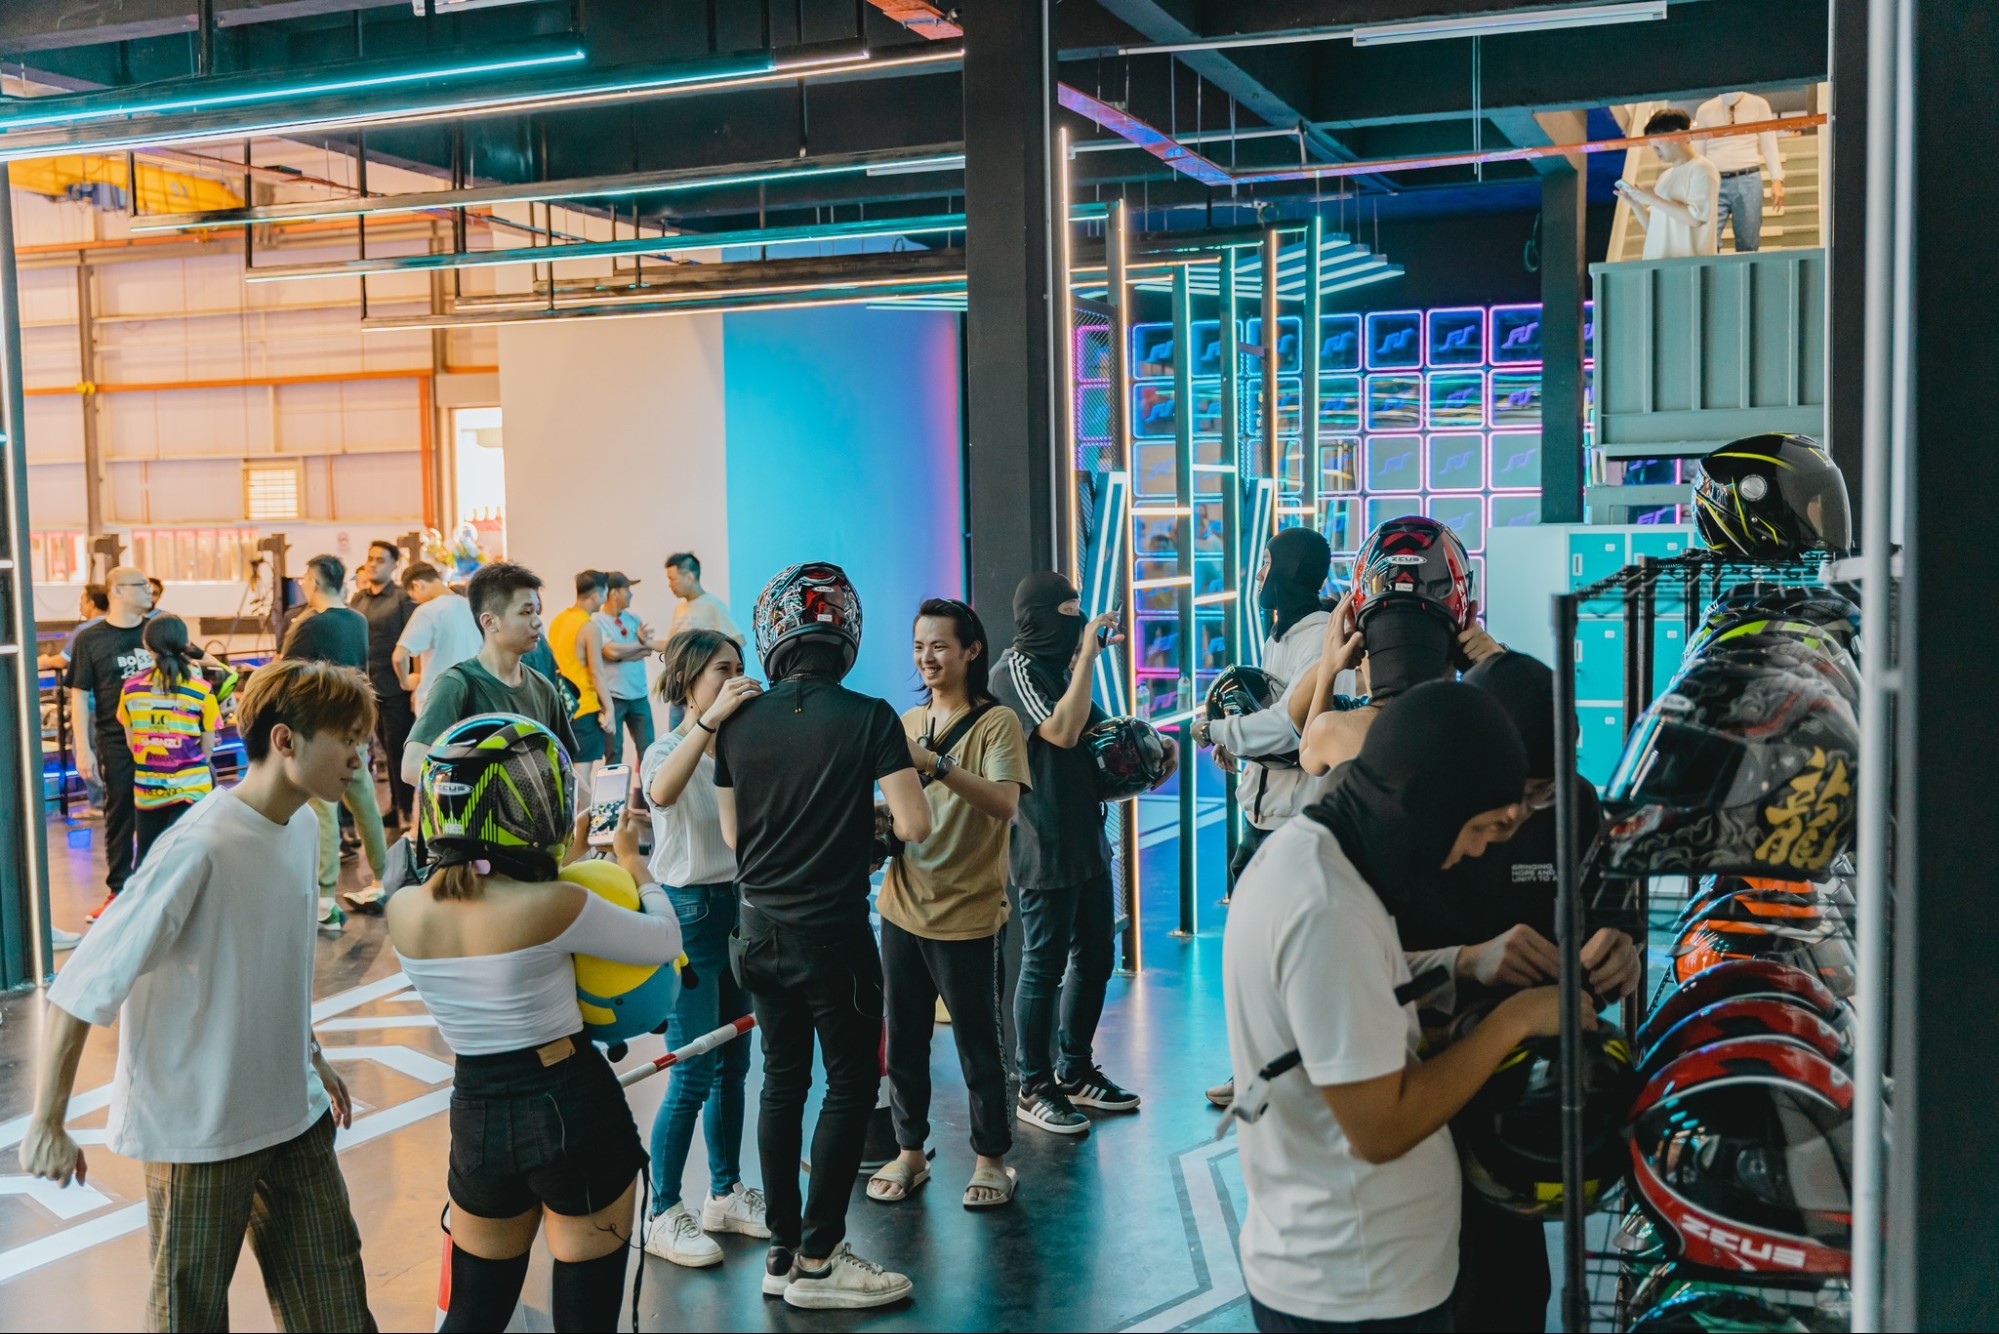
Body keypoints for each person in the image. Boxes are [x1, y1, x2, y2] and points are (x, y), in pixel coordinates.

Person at [20, 659, 379, 1332]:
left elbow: (269, 958)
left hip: (291, 1112)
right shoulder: (199, 846)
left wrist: (312, 1053)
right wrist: (47, 1122)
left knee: (335, 1308)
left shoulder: (300, 825)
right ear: (284, 741)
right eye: (347, 738)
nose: (360, 758)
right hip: (200, 1130)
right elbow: (80, 988)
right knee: (188, 1315)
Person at [1223, 680, 1575, 1334]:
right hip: (1356, 1289)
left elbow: (1350, 991)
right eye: (1475, 830)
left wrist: (1462, 962)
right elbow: (1380, 1126)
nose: (1473, 852)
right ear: (1432, 808)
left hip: (1357, 1271)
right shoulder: (1326, 908)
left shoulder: (1317, 858)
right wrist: (1516, 1019)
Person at [390, 718, 681, 1332]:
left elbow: (496, 935)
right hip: (570, 1104)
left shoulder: (404, 911)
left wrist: (564, 865)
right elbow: (663, 939)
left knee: (473, 1314)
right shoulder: (556, 905)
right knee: (586, 1320)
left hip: (476, 1112)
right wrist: (634, 866)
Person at [714, 561, 929, 1309]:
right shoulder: (871, 717)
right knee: (849, 1081)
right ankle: (820, 1255)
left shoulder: (734, 721)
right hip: (833, 936)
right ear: (846, 633)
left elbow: (734, 836)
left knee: (780, 1080)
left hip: (757, 932)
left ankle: (781, 1253)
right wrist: (863, 832)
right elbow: (915, 824)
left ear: (773, 634)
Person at [1443, 652, 1640, 1333]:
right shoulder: (1417, 818)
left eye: (1542, 794)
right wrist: (1465, 963)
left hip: (1527, 1098)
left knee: (1513, 1293)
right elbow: (1361, 969)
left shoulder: (1578, 805)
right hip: (1429, 1093)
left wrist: (1622, 943)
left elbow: (1614, 904)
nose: (1524, 813)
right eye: (1517, 795)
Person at [991, 572, 1175, 1135]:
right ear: (1038, 616)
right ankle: (1033, 1083)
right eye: (1068, 610)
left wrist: (1152, 755)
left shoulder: (1061, 671)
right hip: (1042, 841)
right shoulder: (1013, 670)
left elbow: (1101, 739)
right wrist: (1087, 658)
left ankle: (1073, 1070)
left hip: (1087, 836)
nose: (1075, 619)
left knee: (1095, 957)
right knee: (1043, 967)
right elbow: (1064, 732)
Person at [869, 599, 1031, 1210]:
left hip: (967, 912)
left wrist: (934, 762)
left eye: (939, 646)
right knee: (904, 1039)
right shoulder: (906, 720)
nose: (927, 657)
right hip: (901, 905)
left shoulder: (997, 725)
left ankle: (991, 1158)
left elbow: (1004, 804)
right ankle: (911, 1151)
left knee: (977, 1045)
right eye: (918, 647)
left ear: (971, 651)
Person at [1192, 528, 1352, 1111]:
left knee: (1289, 963)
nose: (1260, 575)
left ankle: (1291, 1074)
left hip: (1294, 826)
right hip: (1258, 823)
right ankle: (1254, 1067)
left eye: (1266, 563)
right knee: (1249, 962)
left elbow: (1291, 728)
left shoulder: (1320, 641)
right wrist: (1240, 746)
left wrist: (1216, 730)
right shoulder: (1283, 636)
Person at [637, 629, 767, 1268]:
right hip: (688, 913)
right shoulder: (667, 747)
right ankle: (662, 1210)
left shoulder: (743, 745)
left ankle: (724, 1193)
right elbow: (659, 792)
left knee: (736, 1064)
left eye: (741, 668)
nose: (737, 677)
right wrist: (709, 724)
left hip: (738, 905)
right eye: (724, 668)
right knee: (690, 1068)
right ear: (690, 679)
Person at [281, 554, 386, 931]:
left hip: (320, 726)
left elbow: (285, 673)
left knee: (322, 810)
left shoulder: (308, 625)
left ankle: (325, 899)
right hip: (355, 723)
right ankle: (382, 879)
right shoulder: (357, 619)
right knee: (364, 804)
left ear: (312, 581)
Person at [404, 562, 577, 786]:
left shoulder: (543, 688)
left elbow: (563, 768)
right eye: (525, 612)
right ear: (489, 622)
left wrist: (598, 809)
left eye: (536, 611)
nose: (537, 621)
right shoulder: (456, 684)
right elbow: (411, 766)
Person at [67, 565, 156, 921]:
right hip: (116, 741)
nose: (150, 591)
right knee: (121, 815)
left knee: (161, 815)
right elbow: (78, 694)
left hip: (162, 739)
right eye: (142, 585)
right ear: (118, 590)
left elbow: (196, 659)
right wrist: (83, 747)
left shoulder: (156, 630)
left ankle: (156, 887)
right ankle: (119, 890)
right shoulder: (91, 639)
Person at [118, 613, 236, 868]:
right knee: (191, 864)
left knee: (148, 863)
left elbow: (132, 743)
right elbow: (207, 749)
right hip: (192, 789)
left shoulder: (130, 689)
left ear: (147, 646)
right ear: (186, 645)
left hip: (148, 789)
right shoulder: (201, 689)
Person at [351, 539, 419, 829]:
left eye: (380, 559)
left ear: (394, 565)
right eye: (370, 558)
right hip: (367, 686)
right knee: (376, 750)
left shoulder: (402, 599)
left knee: (398, 749)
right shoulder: (358, 600)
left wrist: (413, 684)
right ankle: (393, 806)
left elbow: (413, 644)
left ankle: (406, 809)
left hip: (396, 688)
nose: (373, 563)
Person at [1618, 107, 1721, 260]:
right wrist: (1635, 204)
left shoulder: (1702, 169)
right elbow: (1653, 228)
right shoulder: (1665, 176)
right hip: (1660, 266)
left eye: (1658, 142)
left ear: (1678, 135)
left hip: (1687, 268)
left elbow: (1695, 219)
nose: (1654, 149)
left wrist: (1652, 199)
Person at [1693, 91, 1786, 252]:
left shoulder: (1759, 104)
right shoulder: (1705, 109)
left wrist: (1777, 180)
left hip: (1748, 178)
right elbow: (1698, 152)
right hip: (1714, 180)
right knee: (1707, 242)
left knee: (1748, 243)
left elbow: (1769, 142)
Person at [546, 570, 614, 789]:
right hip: (584, 706)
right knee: (582, 775)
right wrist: (609, 709)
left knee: (566, 773)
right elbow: (597, 673)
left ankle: (569, 823)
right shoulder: (588, 627)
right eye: (605, 594)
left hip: (562, 707)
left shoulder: (558, 620)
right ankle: (582, 823)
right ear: (596, 595)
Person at [393, 561, 482, 716]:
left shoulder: (428, 610)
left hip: (436, 702)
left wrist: (406, 683)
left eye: (414, 597)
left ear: (417, 585)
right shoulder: (474, 608)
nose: (417, 601)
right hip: (472, 699)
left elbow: (399, 657)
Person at [594, 571, 664, 767]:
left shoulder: (634, 618)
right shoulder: (597, 621)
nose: (631, 594)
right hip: (613, 696)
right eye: (628, 590)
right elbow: (611, 652)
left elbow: (647, 652)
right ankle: (613, 798)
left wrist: (629, 650)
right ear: (614, 593)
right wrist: (640, 644)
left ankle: (648, 797)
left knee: (649, 751)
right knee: (613, 753)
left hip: (639, 696)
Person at [664, 552, 741, 642]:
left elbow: (738, 640)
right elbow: (669, 644)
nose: (669, 585)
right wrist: (646, 642)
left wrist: (708, 652)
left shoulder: (712, 605)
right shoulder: (679, 608)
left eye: (672, 579)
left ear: (689, 577)